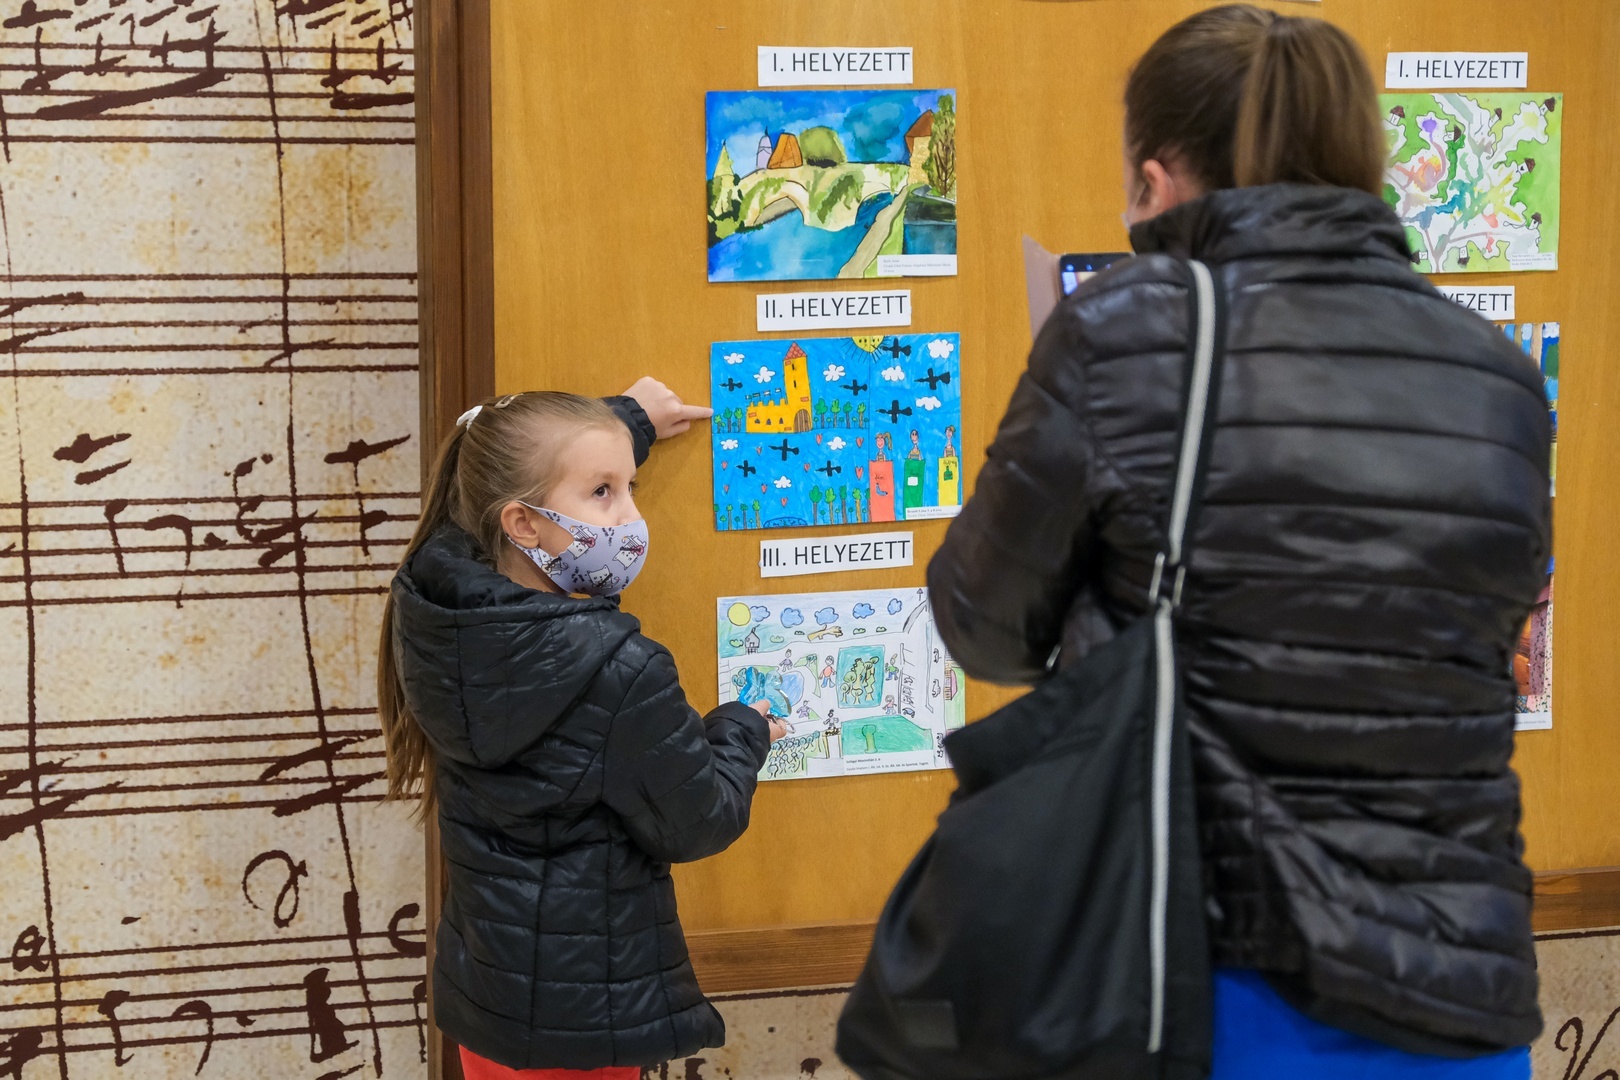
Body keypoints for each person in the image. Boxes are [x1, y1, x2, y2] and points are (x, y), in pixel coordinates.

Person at [928, 6, 1548, 1078]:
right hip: (1460, 986)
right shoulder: (1497, 371)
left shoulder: (1123, 330)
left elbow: (986, 631)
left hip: (1205, 976)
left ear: (1155, 180)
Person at [378, 382, 787, 1079]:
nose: (631, 517)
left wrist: (626, 423)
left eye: (628, 488)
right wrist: (744, 729)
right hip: (588, 1019)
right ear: (522, 523)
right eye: (603, 493)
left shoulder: (432, 603)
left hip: (490, 1001)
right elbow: (699, 822)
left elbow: (492, 470)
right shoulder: (620, 670)